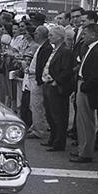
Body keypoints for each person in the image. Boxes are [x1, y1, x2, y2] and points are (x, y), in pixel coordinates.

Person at [70, 23, 98, 164]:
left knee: (87, 122)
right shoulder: (89, 49)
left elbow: (97, 75)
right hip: (82, 85)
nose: (82, 36)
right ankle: (82, 149)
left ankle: (86, 153)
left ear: (93, 34)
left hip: (87, 89)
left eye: (85, 34)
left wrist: (84, 87)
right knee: (81, 121)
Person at [41, 24, 73, 152]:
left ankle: (59, 142)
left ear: (60, 37)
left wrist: (56, 81)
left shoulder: (65, 51)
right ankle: (53, 139)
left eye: (51, 35)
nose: (49, 37)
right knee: (50, 114)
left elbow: (67, 70)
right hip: (48, 84)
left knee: (58, 116)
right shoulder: (55, 50)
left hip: (56, 87)